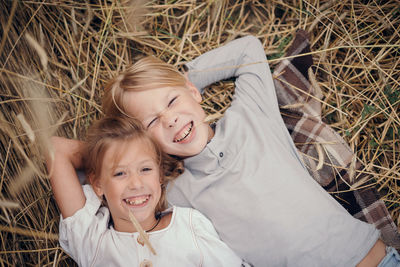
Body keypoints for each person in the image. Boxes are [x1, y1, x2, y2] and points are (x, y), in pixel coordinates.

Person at [102, 35, 400, 266]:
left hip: (375, 260)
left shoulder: (251, 115)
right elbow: (107, 184)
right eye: (153, 121)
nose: (170, 119)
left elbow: (248, 49)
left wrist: (187, 76)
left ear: (193, 93)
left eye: (171, 101)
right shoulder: (178, 192)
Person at [46, 116, 249, 267]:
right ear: (98, 184)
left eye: (145, 169)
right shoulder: (91, 240)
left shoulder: (189, 226)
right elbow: (55, 148)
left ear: (160, 175)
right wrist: (104, 155)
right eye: (119, 173)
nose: (135, 184)